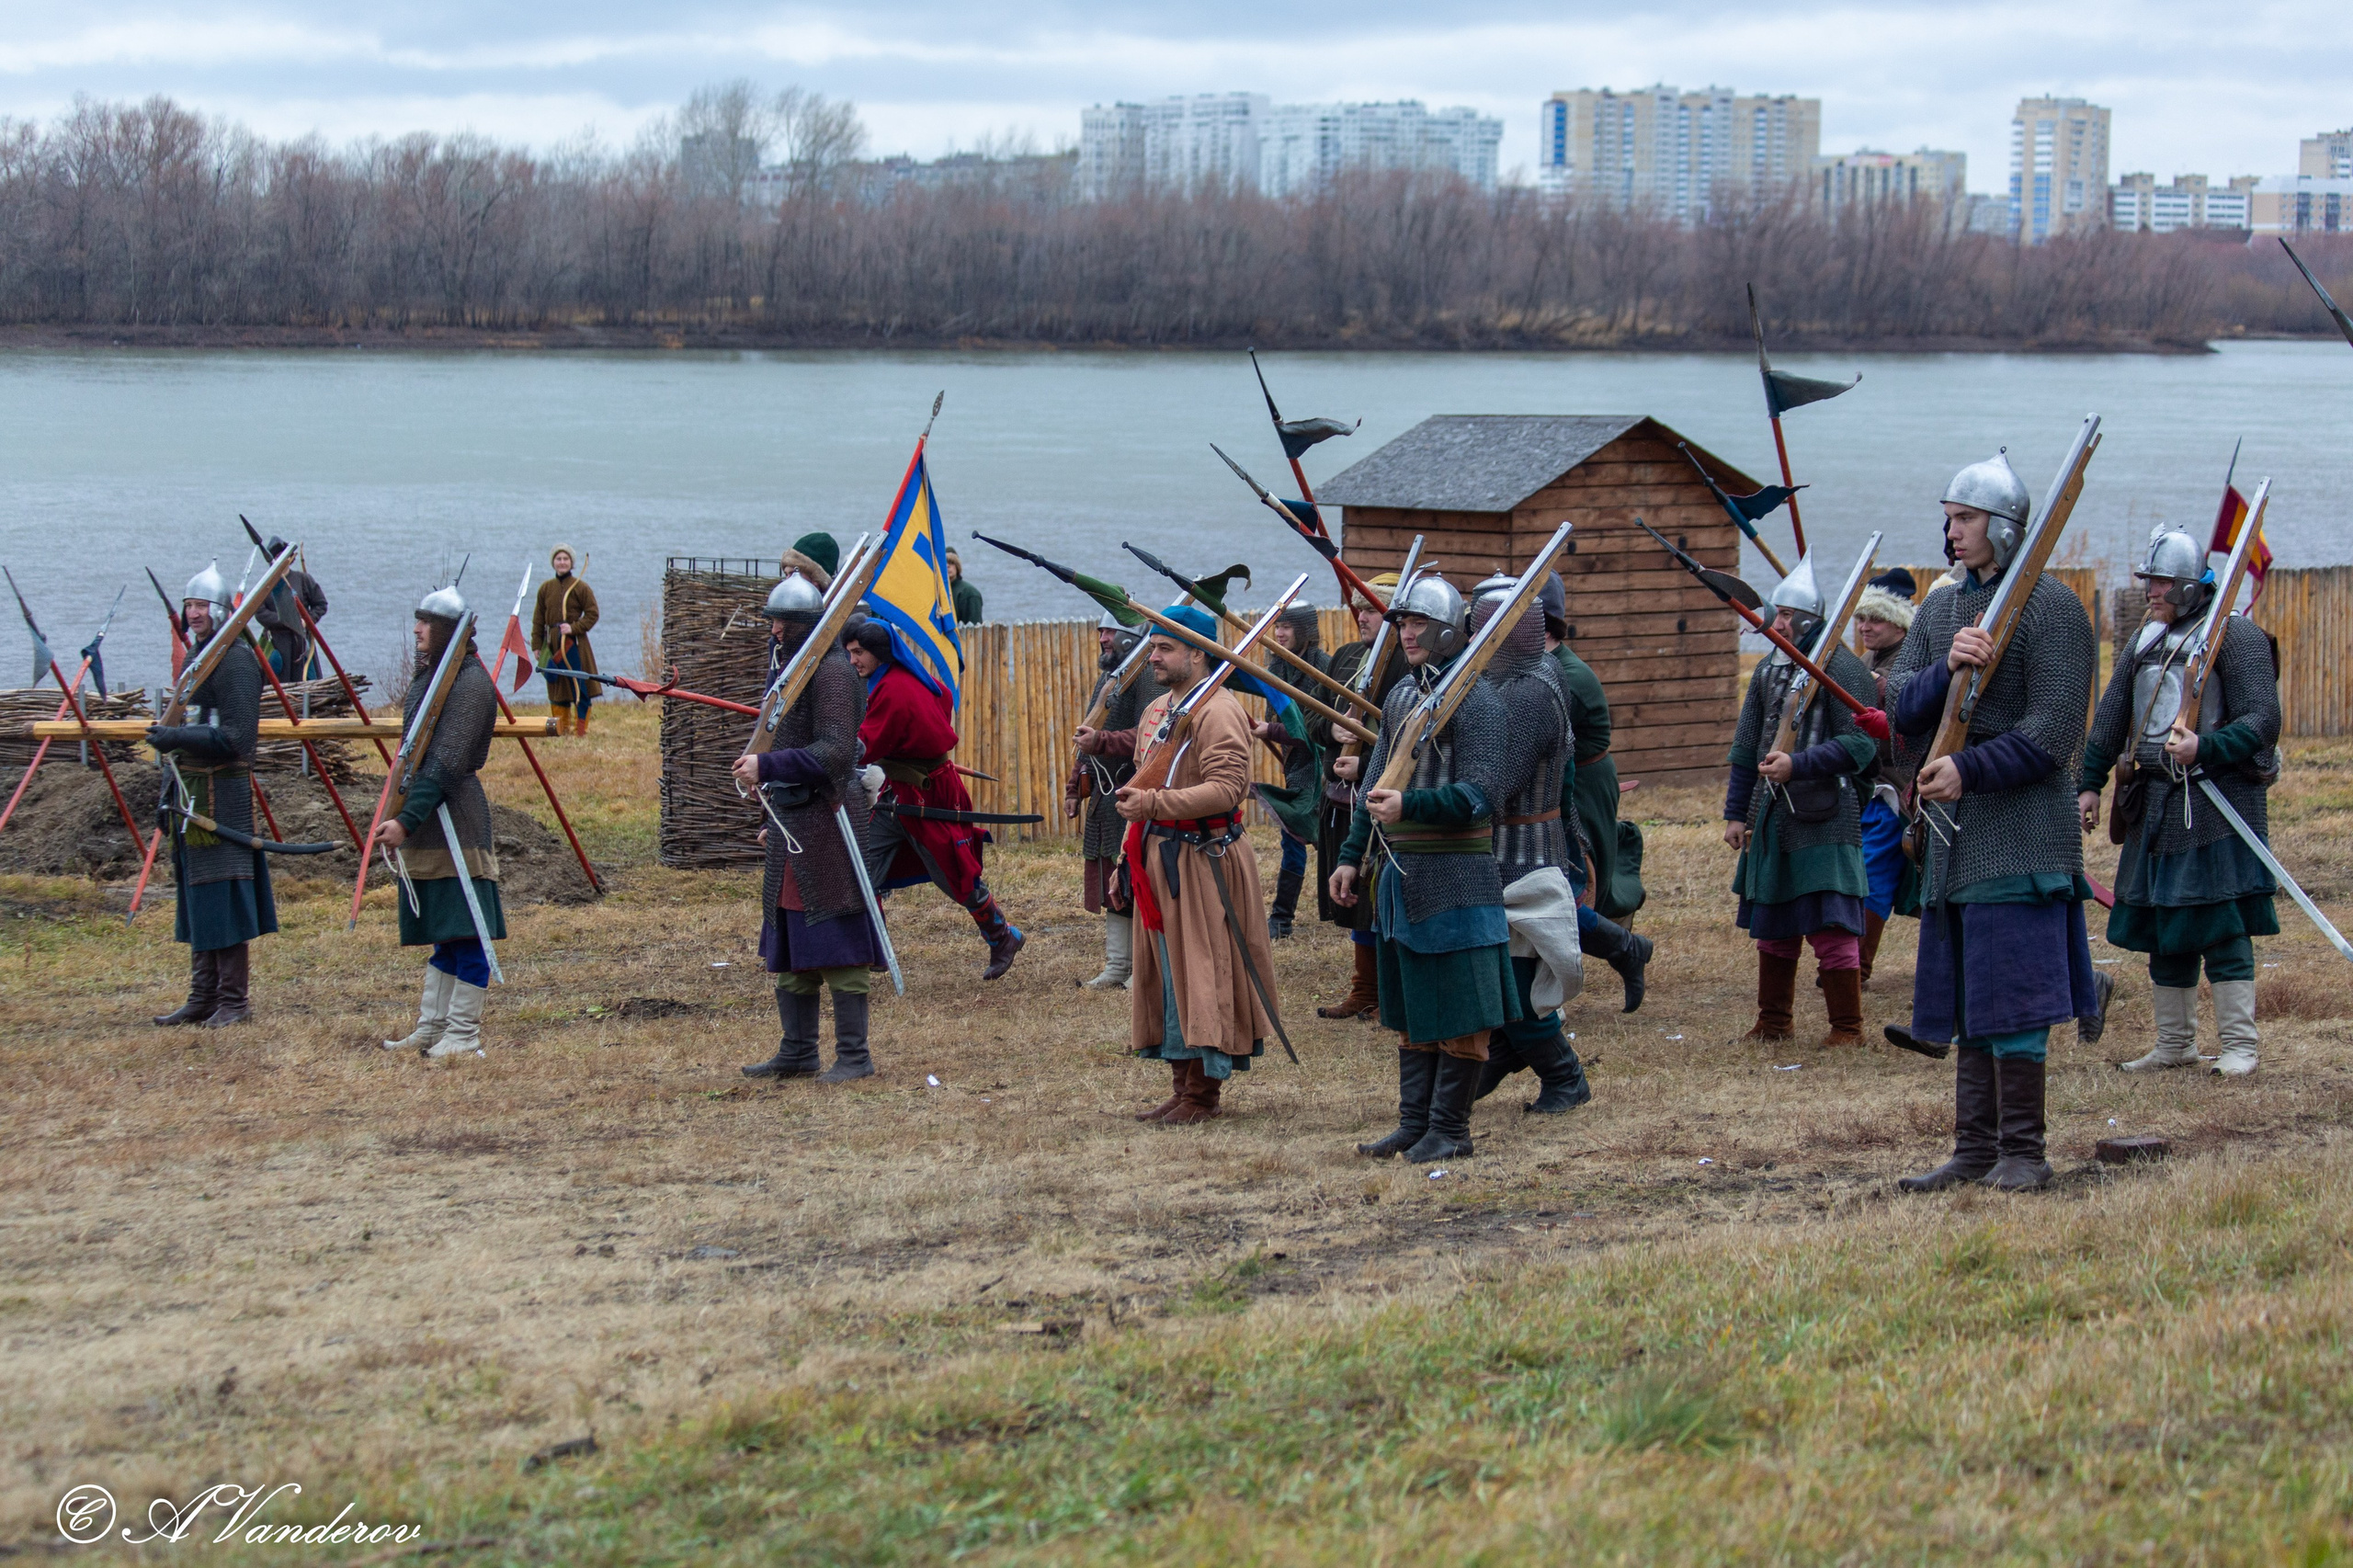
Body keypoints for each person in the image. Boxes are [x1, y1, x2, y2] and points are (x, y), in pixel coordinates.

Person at [1888, 451, 2102, 1194]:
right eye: (1949, 518)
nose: (1952, 532)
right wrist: (1945, 666)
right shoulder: (1942, 608)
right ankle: (1975, 1150)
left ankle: (2023, 1152)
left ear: (2005, 527)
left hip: (2022, 826)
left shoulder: (2053, 610)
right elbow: (1899, 714)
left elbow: (2052, 734)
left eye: (1967, 518)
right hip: (1954, 839)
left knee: (2012, 996)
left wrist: (1969, 769)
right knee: (1971, 999)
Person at [2079, 526, 2280, 1077]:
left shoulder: (2234, 636)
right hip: (2156, 802)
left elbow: (2264, 720)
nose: (2152, 592)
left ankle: (2240, 1045)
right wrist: (2090, 784)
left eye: (2162, 582)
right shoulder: (2146, 640)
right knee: (2163, 924)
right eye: (2149, 582)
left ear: (2191, 585)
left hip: (2216, 800)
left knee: (2221, 922)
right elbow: (2111, 720)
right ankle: (2175, 1044)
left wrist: (2205, 747)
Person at [1332, 574, 1518, 1165]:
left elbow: (1487, 792)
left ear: (1444, 630)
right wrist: (1349, 857)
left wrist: (1413, 806)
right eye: (1402, 623)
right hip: (1399, 873)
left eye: (1416, 624)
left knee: (1460, 1007)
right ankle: (1415, 1124)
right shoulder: (1403, 697)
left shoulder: (1480, 699)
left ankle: (1451, 1129)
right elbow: (1375, 785)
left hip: (1457, 873)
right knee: (1414, 1005)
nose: (1406, 633)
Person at [1117, 607, 1281, 1124]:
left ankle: (1202, 1096)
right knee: (1169, 976)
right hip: (1162, 859)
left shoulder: (1219, 711)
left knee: (1202, 974)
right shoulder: (1164, 708)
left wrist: (1154, 807)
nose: (1154, 656)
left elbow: (1228, 790)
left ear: (1198, 653)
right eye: (1153, 647)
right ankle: (1181, 1086)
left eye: (1165, 647)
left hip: (1204, 860)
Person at [732, 574, 888, 1084]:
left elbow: (837, 751)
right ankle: (797, 1051)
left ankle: (854, 1056)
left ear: (802, 624)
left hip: (827, 818)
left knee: (837, 936)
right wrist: (768, 810)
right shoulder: (795, 671)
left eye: (781, 621)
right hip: (792, 821)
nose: (774, 630)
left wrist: (767, 768)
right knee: (791, 938)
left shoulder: (834, 674)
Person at [1723, 556, 1879, 1047]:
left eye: (1789, 615)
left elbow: (1862, 745)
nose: (1780, 621)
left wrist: (1801, 764)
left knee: (1831, 926)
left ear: (1810, 621)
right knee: (1774, 921)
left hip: (1826, 815)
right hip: (1772, 814)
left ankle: (1847, 1028)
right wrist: (1734, 812)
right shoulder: (1771, 666)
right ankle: (1773, 1022)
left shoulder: (1841, 668)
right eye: (1779, 612)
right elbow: (1747, 748)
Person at [1459, 576, 1592, 1117]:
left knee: (1513, 976)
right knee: (1499, 975)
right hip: (1506, 849)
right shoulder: (1523, 676)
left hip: (1524, 850)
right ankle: (1503, 1056)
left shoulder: (1532, 690)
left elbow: (1497, 783)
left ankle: (1565, 1076)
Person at [847, 619, 1025, 981]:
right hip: (899, 792)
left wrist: (826, 747)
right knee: (863, 867)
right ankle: (873, 950)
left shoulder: (895, 689)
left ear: (879, 652)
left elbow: (864, 747)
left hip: (929, 795)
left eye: (858, 653)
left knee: (956, 875)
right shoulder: (896, 678)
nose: (853, 661)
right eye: (849, 653)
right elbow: (941, 696)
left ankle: (1003, 936)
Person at [377, 587, 506, 1060]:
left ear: (449, 630)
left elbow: (446, 766)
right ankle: (433, 1028)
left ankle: (463, 1035)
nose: (417, 630)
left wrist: (406, 821)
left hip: (457, 818)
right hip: (433, 818)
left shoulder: (470, 684)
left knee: (466, 932)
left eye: (426, 622)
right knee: (444, 933)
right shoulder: (433, 679)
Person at [147, 562, 277, 1028]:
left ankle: (232, 1001)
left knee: (222, 896)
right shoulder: (201, 657)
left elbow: (238, 738)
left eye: (202, 605)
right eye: (189, 606)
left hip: (223, 796)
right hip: (192, 794)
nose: (194, 613)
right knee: (198, 897)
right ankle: (203, 996)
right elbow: (191, 722)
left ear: (220, 610)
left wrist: (176, 738)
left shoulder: (237, 660)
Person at [1540, 574, 1654, 1012]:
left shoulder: (1566, 676)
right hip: (1554, 783)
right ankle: (1622, 947)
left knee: (1564, 883)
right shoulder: (1539, 667)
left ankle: (1620, 948)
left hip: (1577, 787)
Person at [1313, 574, 1407, 1020]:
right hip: (1340, 799)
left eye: (1370, 609)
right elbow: (1313, 716)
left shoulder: (1408, 664)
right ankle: (1364, 988)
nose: (1361, 616)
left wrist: (1366, 757)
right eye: (1358, 607)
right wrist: (1331, 730)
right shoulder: (1349, 656)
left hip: (1384, 797)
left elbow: (1407, 739)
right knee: (1353, 900)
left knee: (1378, 899)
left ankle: (1388, 990)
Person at [1068, 612, 1161, 990]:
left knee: (1138, 881)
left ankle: (1144, 969)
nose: (1102, 637)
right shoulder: (1110, 679)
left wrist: (1101, 743)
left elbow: (1150, 736)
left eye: (1109, 631)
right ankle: (1117, 966)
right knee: (1113, 881)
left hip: (1131, 789)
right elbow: (1091, 733)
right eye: (1101, 631)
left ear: (1129, 636)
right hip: (1104, 798)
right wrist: (1075, 785)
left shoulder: (1147, 679)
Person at [1850, 569, 1921, 990]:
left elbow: (1911, 714)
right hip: (1863, 785)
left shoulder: (1912, 661)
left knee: (1875, 872)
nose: (1865, 627)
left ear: (1898, 621)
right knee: (1859, 872)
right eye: (1862, 619)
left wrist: (1882, 689)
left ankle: (1857, 965)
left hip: (1898, 788)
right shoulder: (1864, 663)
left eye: (1875, 619)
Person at [1253, 602, 1327, 940]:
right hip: (1297, 767)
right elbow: (1281, 719)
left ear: (1305, 630)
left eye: (1286, 627)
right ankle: (1282, 919)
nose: (1279, 634)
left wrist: (1272, 732)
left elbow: (1316, 729)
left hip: (1327, 768)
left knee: (1329, 840)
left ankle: (1343, 908)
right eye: (1277, 627)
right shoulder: (1277, 667)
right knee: (1293, 838)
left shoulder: (1324, 669)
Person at [533, 546, 599, 737]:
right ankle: (560, 730)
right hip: (553, 644)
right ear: (553, 562)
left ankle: (581, 731)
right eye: (558, 559)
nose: (562, 562)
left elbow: (593, 613)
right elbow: (538, 619)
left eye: (566, 559)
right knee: (556, 686)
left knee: (579, 685)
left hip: (574, 644)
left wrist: (573, 628)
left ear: (571, 563)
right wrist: (537, 645)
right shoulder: (545, 588)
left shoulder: (580, 587)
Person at [253, 537, 328, 680]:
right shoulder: (264, 584)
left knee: (306, 681)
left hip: (300, 642)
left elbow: (320, 604)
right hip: (275, 643)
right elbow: (260, 613)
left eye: (282, 556)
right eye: (276, 557)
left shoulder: (303, 579)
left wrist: (307, 621)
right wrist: (286, 620)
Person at [945, 547, 983, 625]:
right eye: (943, 562)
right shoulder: (936, 592)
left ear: (957, 566)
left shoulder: (969, 593)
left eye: (951, 563)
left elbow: (974, 627)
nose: (947, 566)